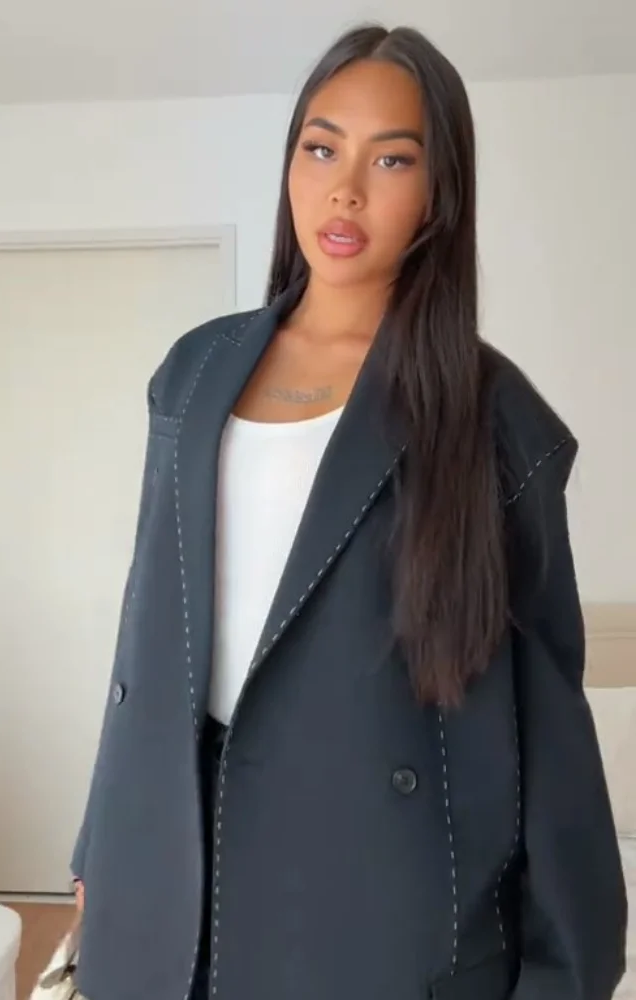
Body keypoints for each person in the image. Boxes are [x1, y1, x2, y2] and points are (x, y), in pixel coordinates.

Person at [69, 22, 628, 1000]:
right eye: (322, 148)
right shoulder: (194, 372)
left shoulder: (493, 415)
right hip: (168, 860)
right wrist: (101, 845)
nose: (346, 190)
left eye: (393, 159)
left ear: (438, 195)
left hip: (371, 886)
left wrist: (564, 971)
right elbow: (147, 636)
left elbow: (551, 720)